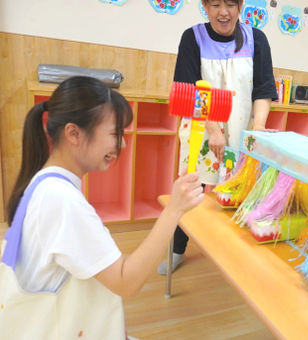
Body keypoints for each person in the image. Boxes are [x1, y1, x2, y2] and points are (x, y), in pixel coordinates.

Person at [2, 76, 203, 337]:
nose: (121, 144)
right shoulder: (62, 201)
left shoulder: (43, 181)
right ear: (74, 133)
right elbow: (125, 281)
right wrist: (174, 210)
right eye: (114, 134)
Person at [158, 0, 278, 274]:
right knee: (191, 187)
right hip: (201, 129)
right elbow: (188, 89)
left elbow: (263, 89)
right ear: (204, 6)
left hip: (240, 131)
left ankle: (235, 253)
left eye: (230, 5)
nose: (223, 12)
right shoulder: (193, 37)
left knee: (242, 190)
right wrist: (213, 130)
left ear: (241, 6)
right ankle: (178, 249)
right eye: (215, 5)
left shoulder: (256, 39)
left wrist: (257, 128)